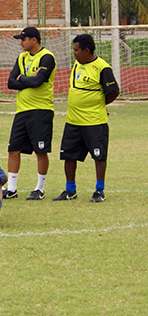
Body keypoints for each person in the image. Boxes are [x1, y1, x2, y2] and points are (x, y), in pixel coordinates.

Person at [53, 33, 119, 202]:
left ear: (86, 50)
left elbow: (114, 91)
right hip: (73, 121)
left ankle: (99, 190)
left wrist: (99, 105)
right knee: (68, 155)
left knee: (99, 156)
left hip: (94, 121)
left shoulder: (102, 67)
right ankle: (70, 190)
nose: (74, 53)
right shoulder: (77, 64)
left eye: (76, 50)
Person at [5, 27, 56, 200]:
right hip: (22, 111)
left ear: (34, 40)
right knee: (13, 149)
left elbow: (37, 82)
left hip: (41, 110)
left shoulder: (47, 57)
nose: (21, 43)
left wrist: (22, 78)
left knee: (40, 151)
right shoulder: (21, 58)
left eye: (23, 39)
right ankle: (11, 189)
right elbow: (11, 82)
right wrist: (26, 79)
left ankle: (39, 189)